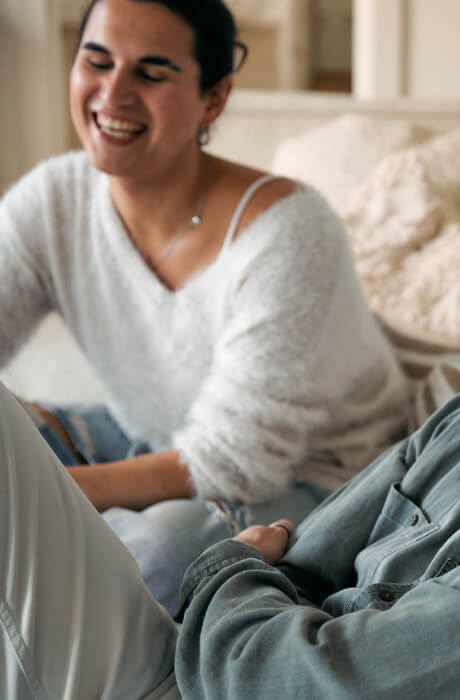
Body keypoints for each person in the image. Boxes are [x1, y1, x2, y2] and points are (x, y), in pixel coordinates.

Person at [1, 124, 460, 699]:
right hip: (205, 656)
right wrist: (251, 582)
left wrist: (224, 571)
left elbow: (279, 680)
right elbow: (298, 558)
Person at [0, 0, 408, 615]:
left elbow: (228, 462)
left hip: (307, 480)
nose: (112, 93)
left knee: (153, 560)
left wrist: (38, 493)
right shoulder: (54, 198)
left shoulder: (289, 231)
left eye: (152, 72)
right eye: (97, 61)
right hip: (148, 434)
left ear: (213, 99)